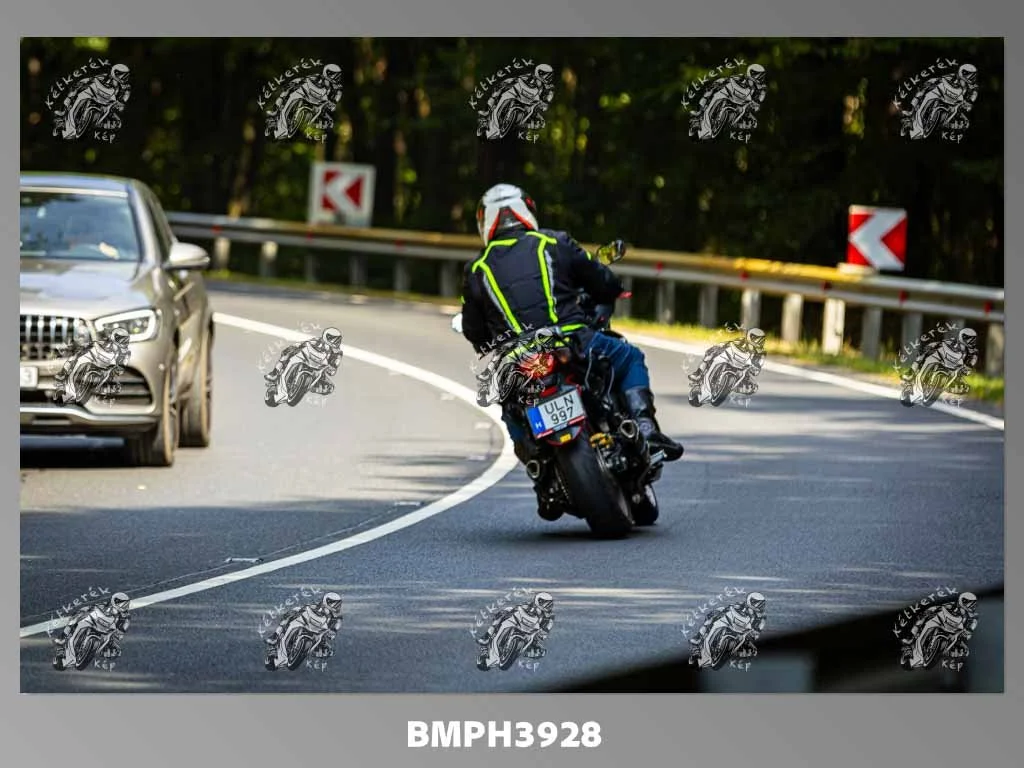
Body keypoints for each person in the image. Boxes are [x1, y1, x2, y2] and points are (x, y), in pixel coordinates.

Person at [458, 184, 684, 515]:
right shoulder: (553, 242)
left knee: (510, 404)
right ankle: (646, 429)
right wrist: (609, 287)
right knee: (629, 358)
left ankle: (539, 470)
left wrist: (494, 343)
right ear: (527, 210)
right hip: (572, 341)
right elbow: (602, 281)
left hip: (520, 361)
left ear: (485, 222)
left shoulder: (477, 270)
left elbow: (474, 332)